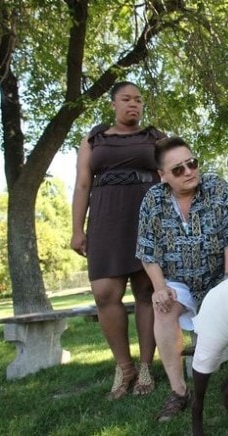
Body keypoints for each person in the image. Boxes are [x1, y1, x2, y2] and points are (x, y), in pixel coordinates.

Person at [136, 136, 228, 421]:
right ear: (162, 176)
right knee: (162, 310)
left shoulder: (216, 187)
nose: (189, 171)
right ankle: (179, 391)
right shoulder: (153, 199)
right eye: (178, 169)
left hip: (218, 273)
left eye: (192, 163)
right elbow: (147, 249)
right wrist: (160, 288)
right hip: (178, 280)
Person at [71, 81, 165, 400]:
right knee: (104, 293)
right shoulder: (94, 140)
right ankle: (123, 368)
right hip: (106, 220)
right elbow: (82, 186)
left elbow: (173, 175)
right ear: (113, 104)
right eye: (126, 99)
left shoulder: (155, 137)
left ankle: (146, 367)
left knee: (146, 291)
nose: (133, 104)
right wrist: (77, 229)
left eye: (138, 100)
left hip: (147, 217)